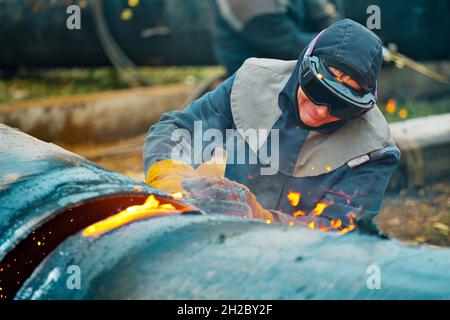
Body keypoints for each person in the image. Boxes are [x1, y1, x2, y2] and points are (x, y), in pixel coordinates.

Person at [143, 19, 400, 233]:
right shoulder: (254, 81)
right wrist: (171, 176)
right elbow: (178, 129)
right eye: (316, 91)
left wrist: (258, 215)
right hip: (225, 240)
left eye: (341, 105)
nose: (322, 110)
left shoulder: (374, 150)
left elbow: (338, 231)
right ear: (303, 65)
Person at [210, 0, 340, 74]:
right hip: (263, 74)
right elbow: (293, 45)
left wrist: (333, 24)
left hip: (295, 46)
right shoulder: (252, 7)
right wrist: (338, 41)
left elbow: (317, 8)